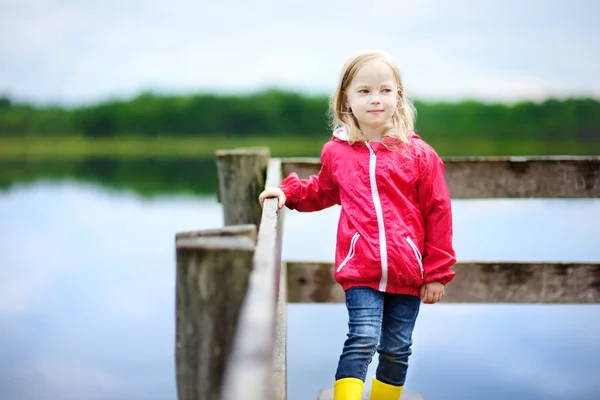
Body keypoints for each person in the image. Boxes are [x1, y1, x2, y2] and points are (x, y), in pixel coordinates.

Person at [258, 50, 456, 400]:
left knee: (397, 347)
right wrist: (287, 192)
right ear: (346, 99)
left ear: (398, 96)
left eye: (385, 90)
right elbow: (321, 190)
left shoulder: (419, 154)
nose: (375, 99)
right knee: (362, 337)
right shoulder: (337, 152)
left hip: (409, 272)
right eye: (364, 91)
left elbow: (438, 212)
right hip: (360, 269)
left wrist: (437, 272)